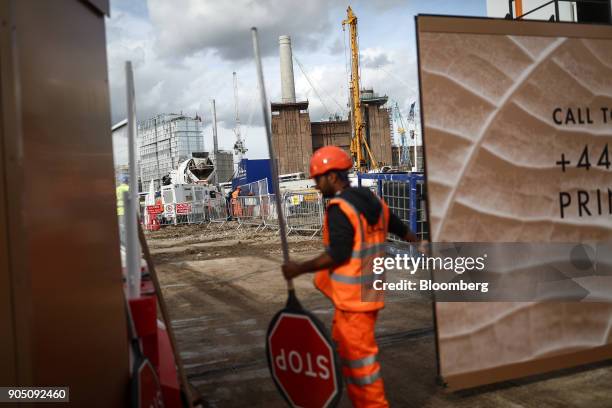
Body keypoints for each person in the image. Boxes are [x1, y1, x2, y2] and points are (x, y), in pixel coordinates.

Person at [282, 146, 419, 408]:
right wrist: (423, 243)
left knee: (362, 368)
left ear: (333, 177)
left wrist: (298, 268)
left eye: (318, 179)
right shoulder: (371, 199)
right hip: (369, 291)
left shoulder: (339, 208)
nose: (316, 185)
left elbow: (338, 255)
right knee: (348, 351)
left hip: (354, 301)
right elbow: (401, 229)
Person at [115, 174, 129, 245]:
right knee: (128, 227)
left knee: (121, 227)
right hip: (128, 211)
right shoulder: (128, 188)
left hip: (119, 211)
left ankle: (122, 242)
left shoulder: (117, 189)